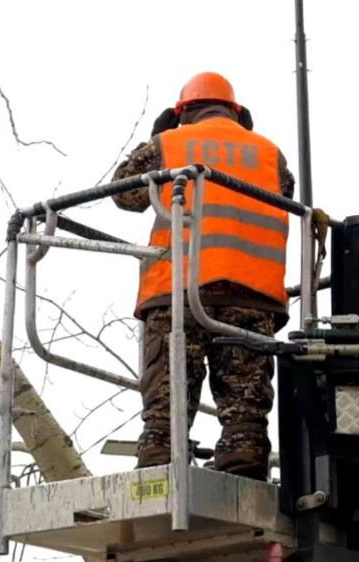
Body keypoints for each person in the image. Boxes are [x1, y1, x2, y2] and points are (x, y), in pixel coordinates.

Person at [111, 71, 296, 482]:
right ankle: (244, 458)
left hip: (178, 291)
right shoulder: (270, 154)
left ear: (183, 112)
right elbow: (286, 193)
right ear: (236, 112)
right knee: (245, 407)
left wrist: (153, 140)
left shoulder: (169, 144)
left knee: (166, 400)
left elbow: (124, 195)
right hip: (251, 296)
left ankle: (159, 462)